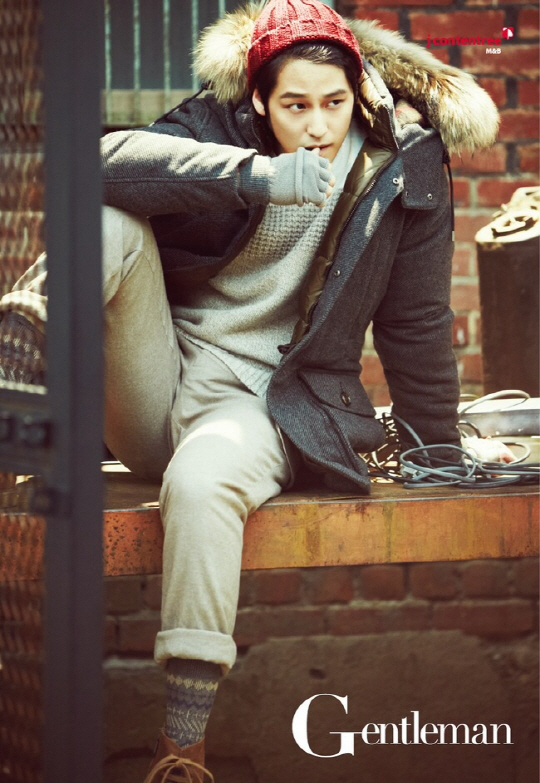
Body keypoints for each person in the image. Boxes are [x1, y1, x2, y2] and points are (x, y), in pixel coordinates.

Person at [0, 0, 508, 780]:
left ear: (360, 93)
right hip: (153, 383)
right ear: (260, 103)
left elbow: (416, 320)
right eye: (295, 105)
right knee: (108, 222)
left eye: (334, 103)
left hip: (265, 408)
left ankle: (182, 746)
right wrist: (256, 177)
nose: (318, 126)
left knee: (202, 482)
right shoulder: (219, 126)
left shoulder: (400, 162)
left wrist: (439, 447)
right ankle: (16, 359)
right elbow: (95, 165)